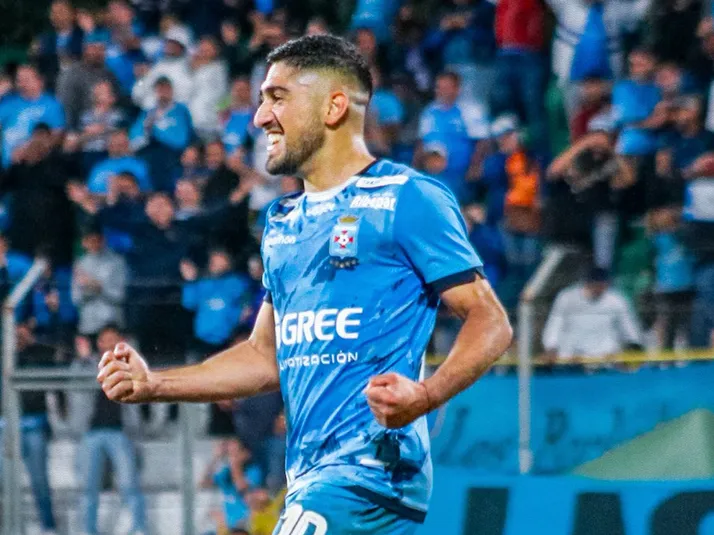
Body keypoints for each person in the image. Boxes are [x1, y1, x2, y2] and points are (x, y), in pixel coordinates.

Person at [97, 35, 512, 535]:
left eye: (278, 98)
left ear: (334, 107)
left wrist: (425, 395)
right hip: (311, 479)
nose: (260, 118)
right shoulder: (281, 222)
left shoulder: (408, 198)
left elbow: (491, 320)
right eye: (261, 101)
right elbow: (263, 356)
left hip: (366, 475)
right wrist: (156, 384)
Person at [76, 324, 147, 535]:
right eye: (105, 339)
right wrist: (84, 360)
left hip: (120, 432)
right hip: (91, 433)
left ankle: (138, 528)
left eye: (113, 339)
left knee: (129, 485)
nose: (109, 343)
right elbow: (76, 383)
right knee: (88, 488)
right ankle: (88, 531)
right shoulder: (86, 364)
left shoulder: (130, 364)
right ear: (99, 343)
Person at [543, 267, 644, 360]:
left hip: (605, 358)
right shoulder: (567, 297)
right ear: (587, 283)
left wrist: (634, 343)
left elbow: (628, 324)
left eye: (603, 286)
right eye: (596, 285)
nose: (599, 289)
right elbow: (555, 324)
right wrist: (551, 346)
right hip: (572, 358)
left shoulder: (616, 300)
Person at [72, 228, 127, 337]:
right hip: (88, 325)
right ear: (84, 242)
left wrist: (99, 288)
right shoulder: (80, 264)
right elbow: (76, 298)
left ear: (103, 240)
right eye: (90, 241)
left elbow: (120, 295)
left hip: (111, 324)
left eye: (97, 240)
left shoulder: (117, 262)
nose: (94, 244)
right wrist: (88, 287)